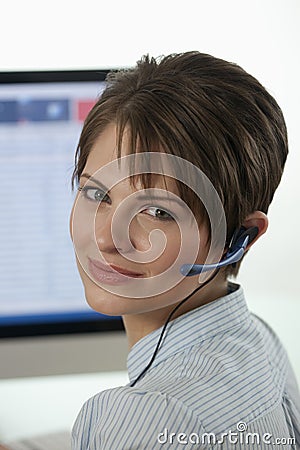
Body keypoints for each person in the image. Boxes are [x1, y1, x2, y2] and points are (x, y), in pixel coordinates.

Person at [70, 52, 300, 449]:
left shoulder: (146, 417)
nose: (106, 237)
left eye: (157, 211)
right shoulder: (260, 343)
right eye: (98, 193)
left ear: (240, 236)